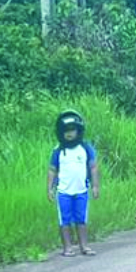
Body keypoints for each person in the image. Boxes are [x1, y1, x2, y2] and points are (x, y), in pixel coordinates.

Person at [49, 109, 100, 257]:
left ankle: (84, 246)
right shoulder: (58, 150)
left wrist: (95, 186)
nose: (69, 133)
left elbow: (93, 167)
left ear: (79, 131)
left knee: (81, 219)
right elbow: (52, 170)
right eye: (66, 131)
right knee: (64, 220)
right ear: (61, 133)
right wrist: (50, 188)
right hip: (64, 192)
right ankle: (67, 247)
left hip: (81, 191)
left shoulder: (85, 148)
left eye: (72, 130)